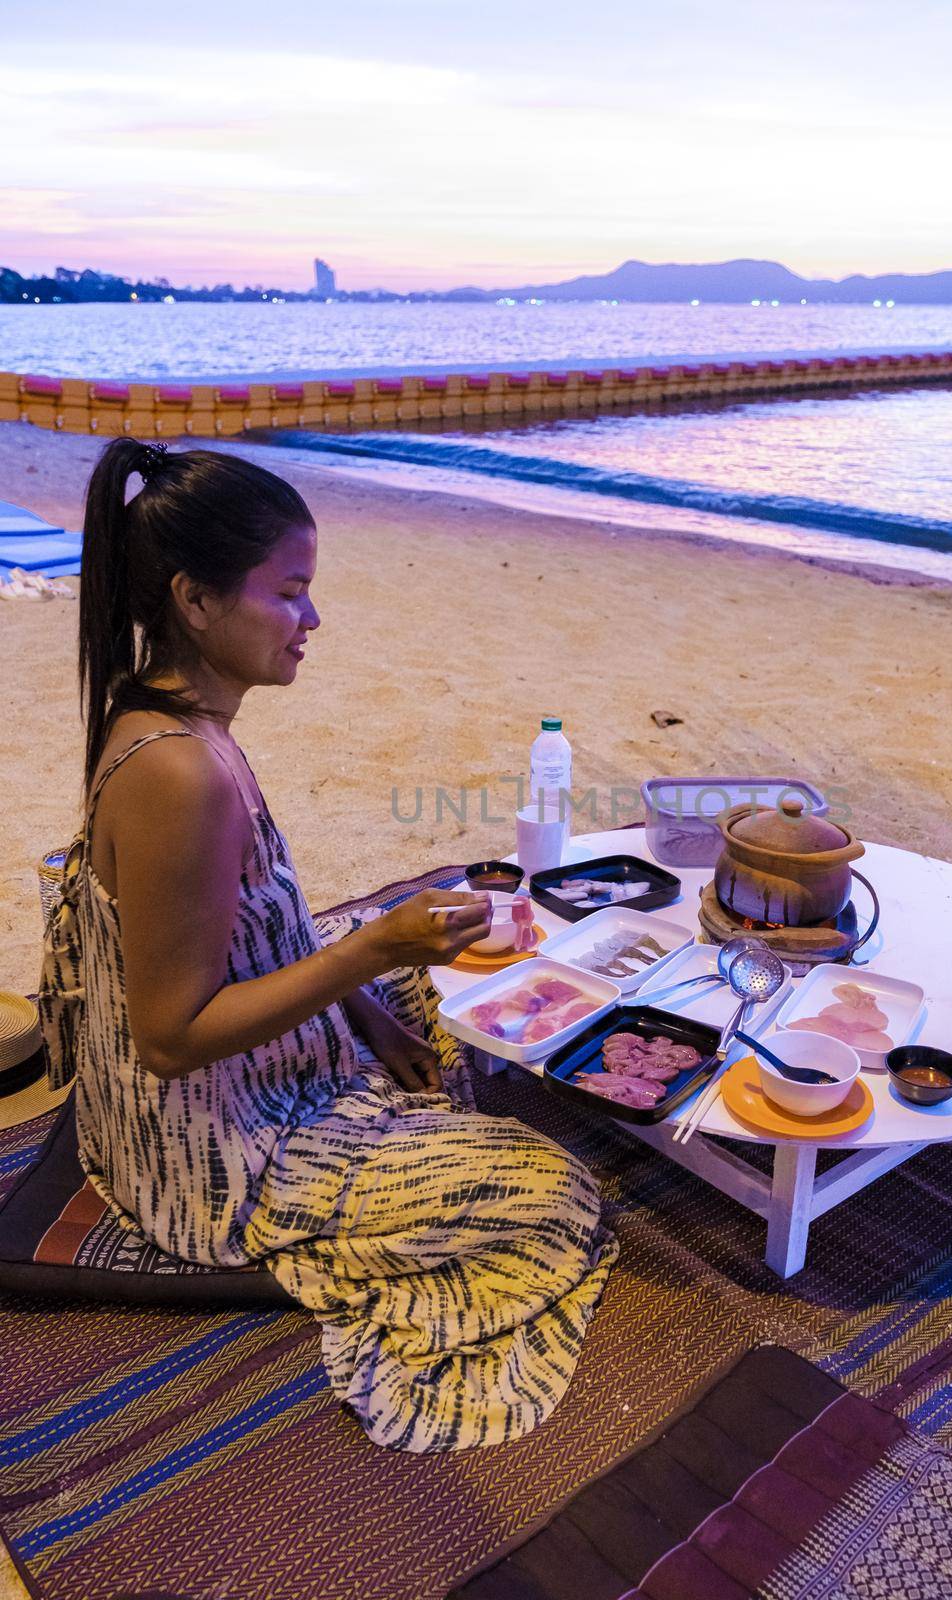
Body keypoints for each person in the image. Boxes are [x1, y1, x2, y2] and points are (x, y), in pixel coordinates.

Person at [45, 438, 617, 1452]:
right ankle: (334, 1223)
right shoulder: (183, 775)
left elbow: (256, 926)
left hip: (232, 1081)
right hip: (217, 1155)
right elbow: (171, 1039)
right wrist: (367, 958)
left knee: (446, 969)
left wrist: (364, 998)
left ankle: (391, 1062)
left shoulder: (170, 714)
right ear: (196, 598)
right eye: (291, 593)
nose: (312, 621)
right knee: (557, 1192)